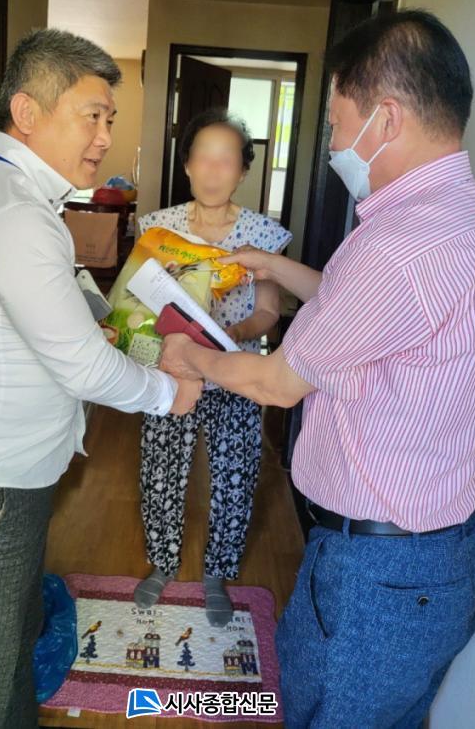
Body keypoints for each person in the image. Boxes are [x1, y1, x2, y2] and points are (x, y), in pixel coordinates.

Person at [159, 10, 475, 728]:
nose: (331, 143)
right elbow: (371, 316)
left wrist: (189, 355)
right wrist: (275, 269)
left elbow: (276, 382)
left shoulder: (398, 244)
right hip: (445, 550)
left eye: (335, 123)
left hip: (380, 577)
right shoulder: (465, 217)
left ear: (385, 118)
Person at [0, 29, 201, 729]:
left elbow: (58, 320)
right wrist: (168, 393)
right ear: (27, 112)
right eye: (92, 115)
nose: (105, 137)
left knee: (1, 673)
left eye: (110, 118)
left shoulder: (15, 198)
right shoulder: (13, 212)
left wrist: (113, 333)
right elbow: (81, 364)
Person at [134, 108, 292, 626]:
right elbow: (137, 301)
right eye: (203, 157)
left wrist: (230, 337)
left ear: (243, 171)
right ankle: (162, 562)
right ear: (187, 165)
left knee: (235, 471)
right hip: (173, 369)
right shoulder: (158, 227)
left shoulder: (262, 236)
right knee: (161, 466)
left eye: (226, 160)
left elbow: (268, 313)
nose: (213, 170)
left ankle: (217, 573)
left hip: (236, 371)